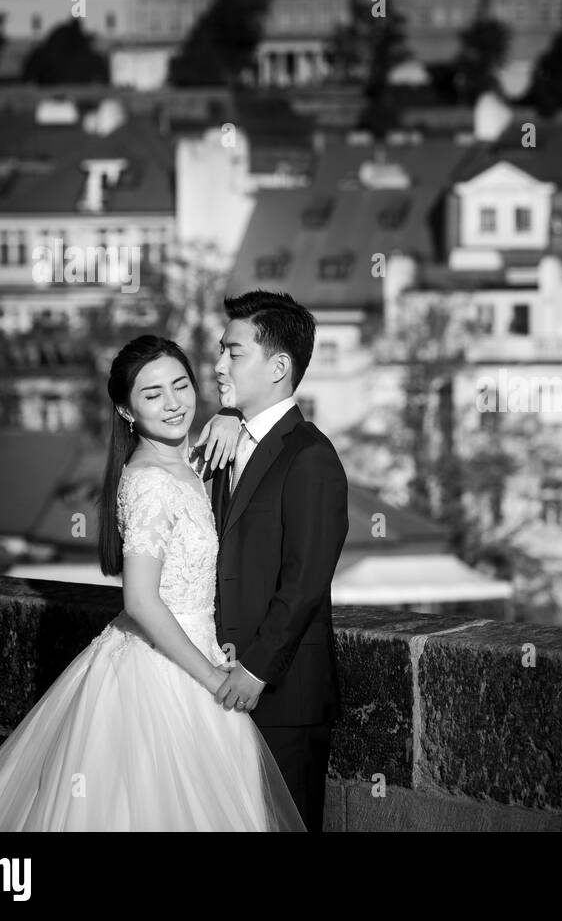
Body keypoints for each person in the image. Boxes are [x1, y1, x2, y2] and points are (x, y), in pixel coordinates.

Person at [0, 336, 304, 831]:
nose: (173, 403)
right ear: (126, 410)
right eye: (152, 394)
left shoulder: (188, 465)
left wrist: (230, 415)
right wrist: (213, 679)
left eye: (181, 385)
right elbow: (142, 600)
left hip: (200, 650)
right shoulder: (148, 482)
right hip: (165, 673)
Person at [209, 290, 349, 832]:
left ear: (279, 366)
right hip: (217, 686)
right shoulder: (224, 441)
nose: (219, 364)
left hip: (284, 696)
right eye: (221, 351)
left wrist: (256, 669)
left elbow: (305, 581)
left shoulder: (311, 456)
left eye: (233, 353)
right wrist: (223, 415)